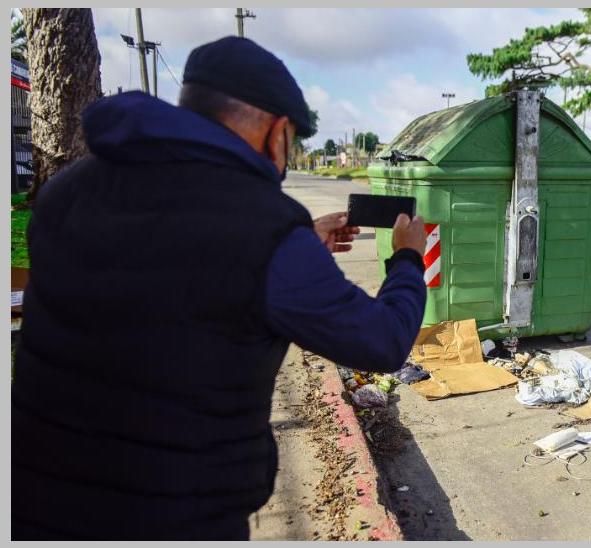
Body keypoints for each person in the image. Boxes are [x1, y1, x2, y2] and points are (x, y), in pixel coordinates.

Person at [11, 36, 427, 540]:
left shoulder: (67, 190)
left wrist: (297, 248)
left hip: (35, 499)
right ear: (277, 133)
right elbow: (381, 341)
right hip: (177, 515)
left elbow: (172, 276)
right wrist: (407, 255)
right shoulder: (264, 226)